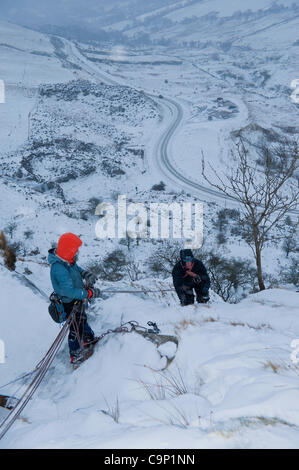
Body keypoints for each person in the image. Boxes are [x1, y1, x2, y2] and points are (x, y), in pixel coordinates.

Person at [48, 232, 100, 363]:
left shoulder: (67, 260)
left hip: (76, 299)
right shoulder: (59, 268)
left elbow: (77, 268)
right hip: (69, 302)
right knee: (75, 327)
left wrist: (85, 274)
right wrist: (89, 294)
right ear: (68, 250)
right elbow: (69, 291)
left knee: (81, 320)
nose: (77, 252)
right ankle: (75, 353)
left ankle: (88, 338)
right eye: (75, 249)